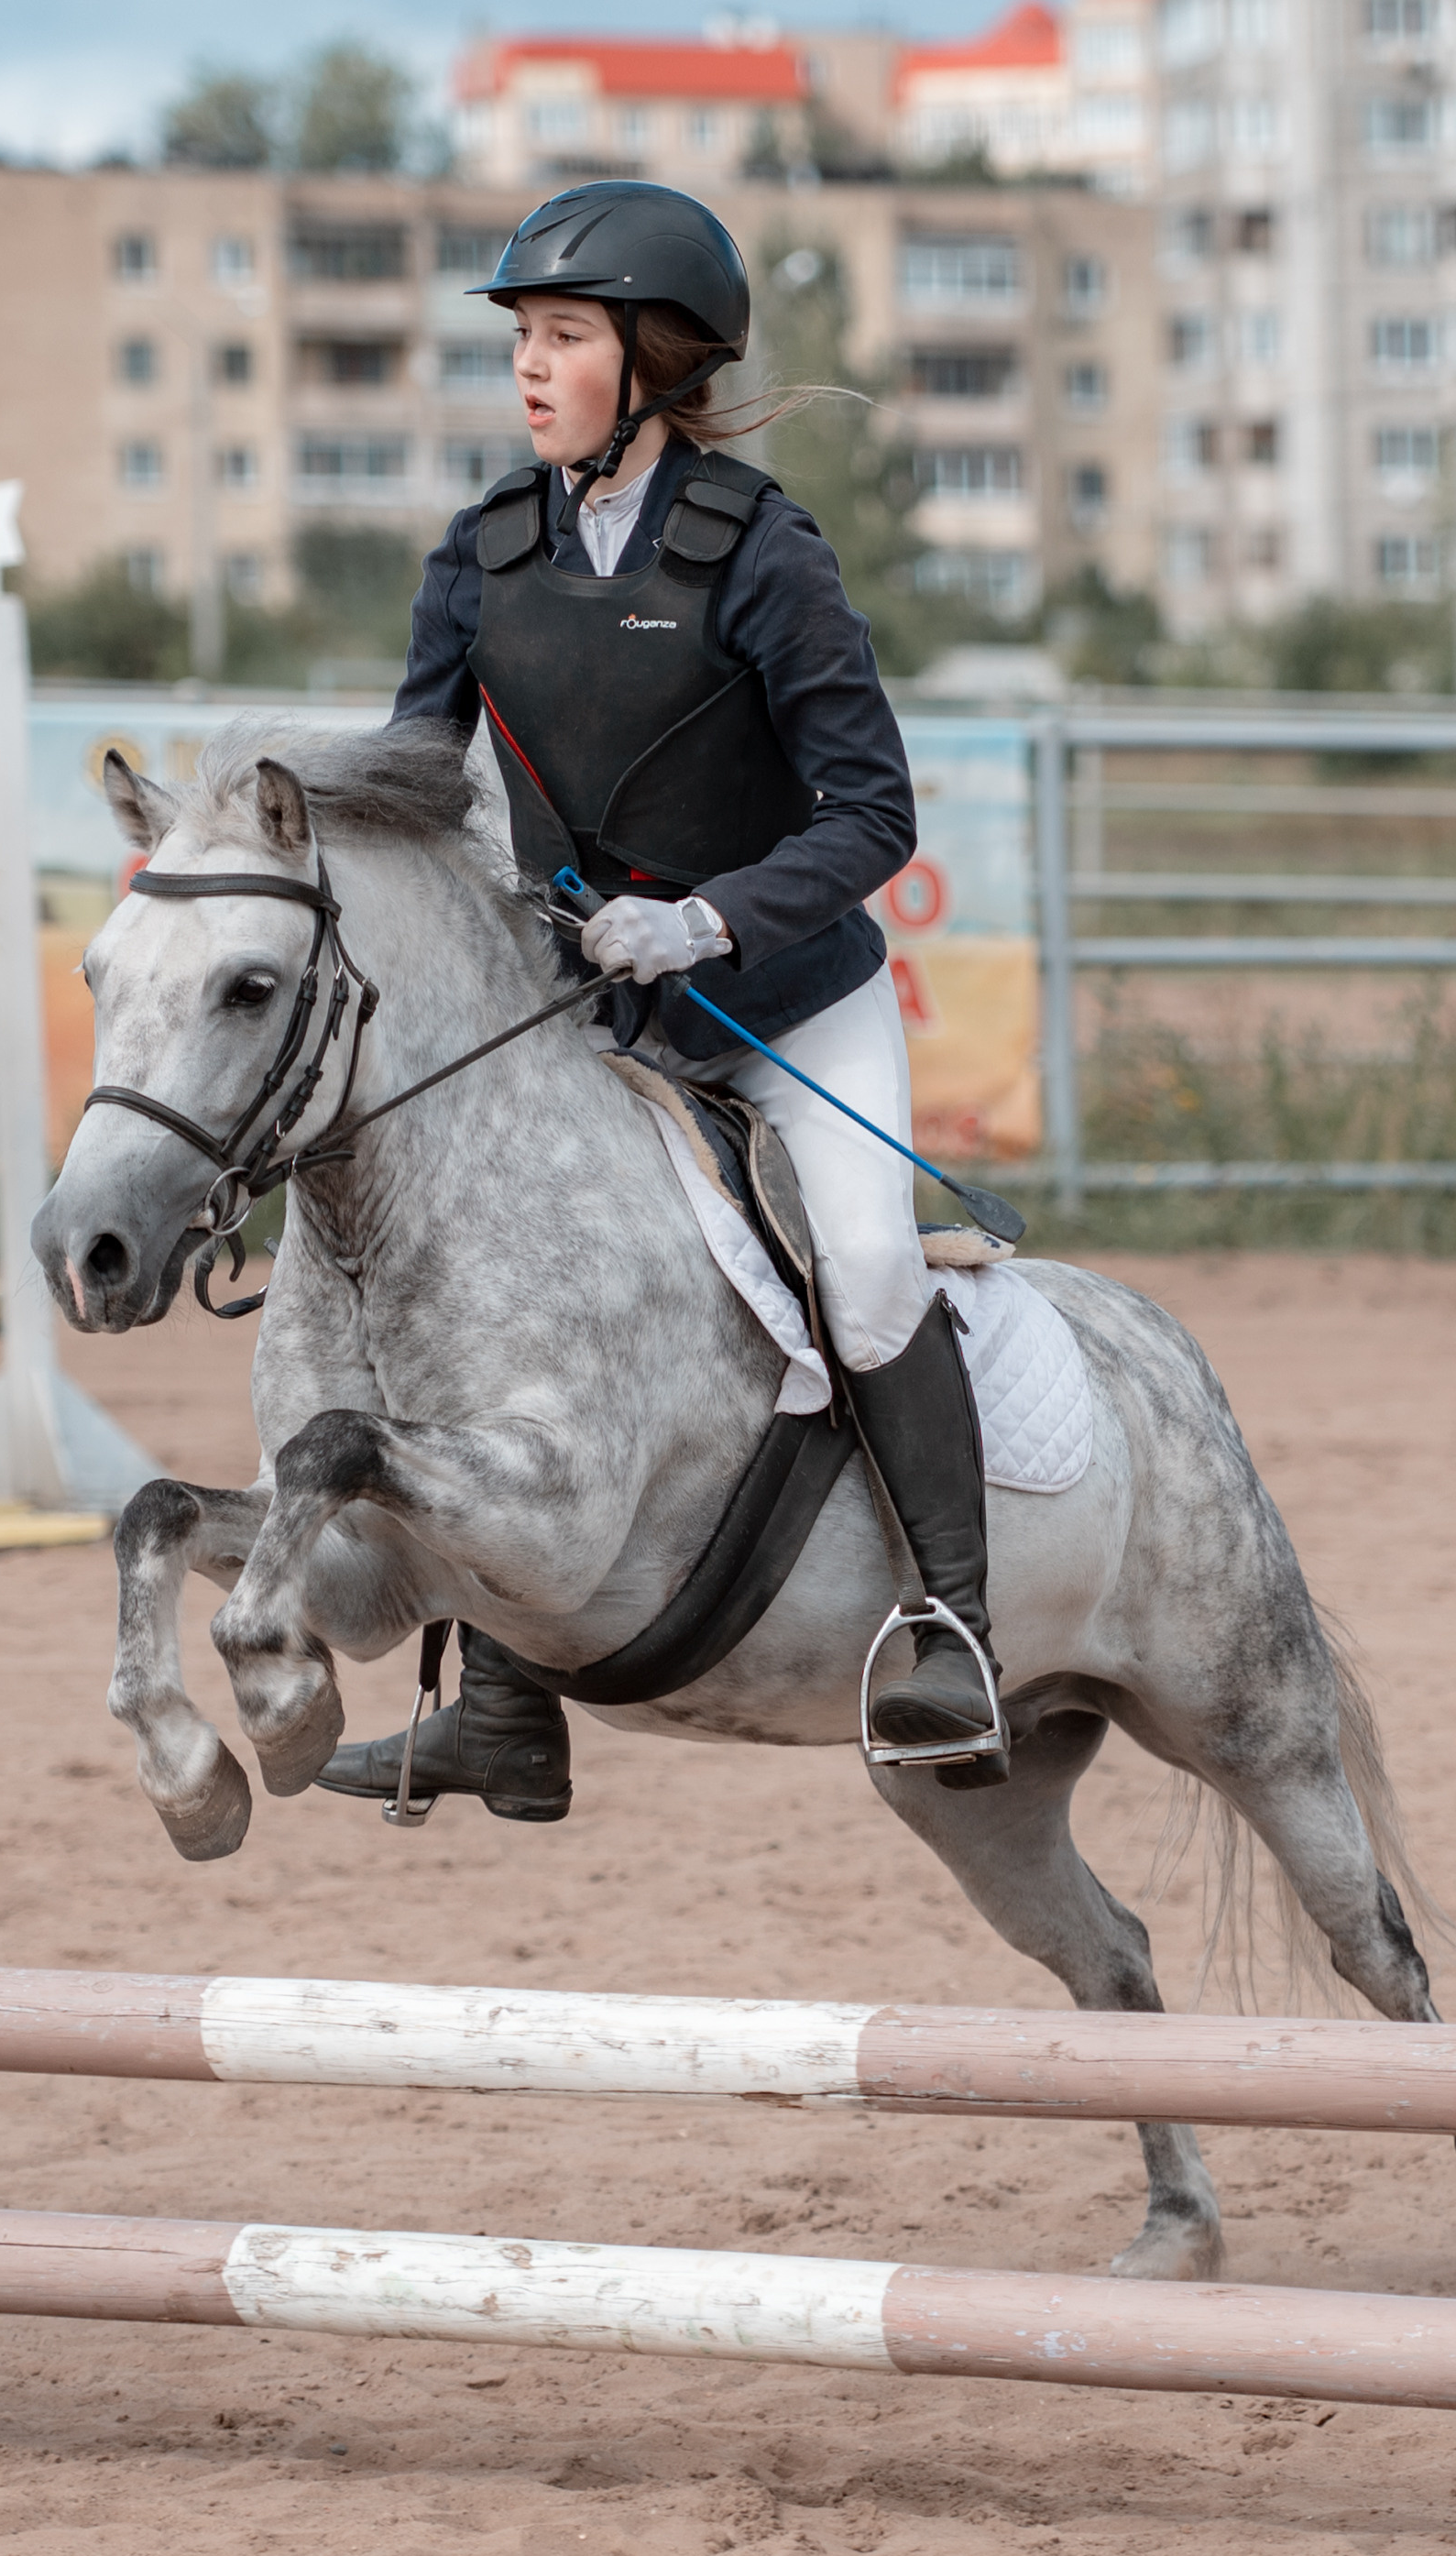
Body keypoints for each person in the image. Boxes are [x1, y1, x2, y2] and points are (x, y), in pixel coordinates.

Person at [319, 180, 1006, 1816]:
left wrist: (706, 919)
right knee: (490, 1294)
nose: (527, 365)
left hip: (783, 1006)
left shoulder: (761, 553)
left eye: (562, 336)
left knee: (862, 1268)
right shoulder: (484, 551)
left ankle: (952, 1633)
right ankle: (499, 1708)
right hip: (590, 1021)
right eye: (521, 336)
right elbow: (415, 784)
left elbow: (870, 814)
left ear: (657, 359)